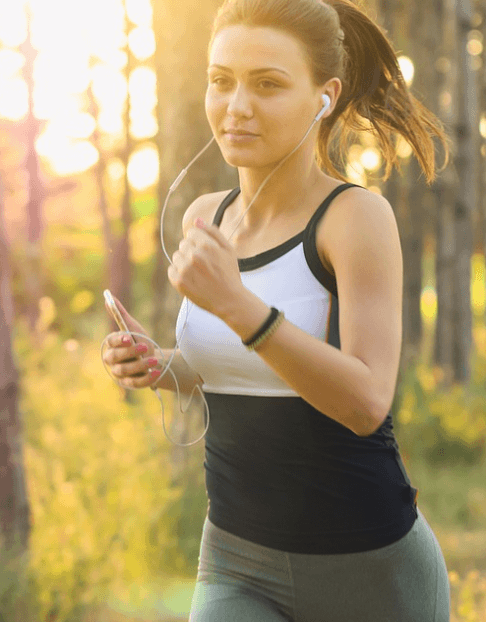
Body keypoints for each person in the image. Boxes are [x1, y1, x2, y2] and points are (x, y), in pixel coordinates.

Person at [103, 0, 452, 620]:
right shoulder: (204, 216)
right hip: (236, 560)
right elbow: (234, 367)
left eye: (267, 84)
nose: (236, 106)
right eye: (221, 81)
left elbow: (366, 402)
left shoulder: (354, 219)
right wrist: (160, 364)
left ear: (325, 95)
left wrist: (238, 306)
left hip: (369, 567)